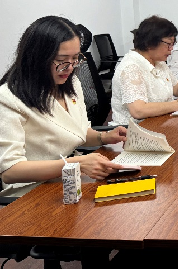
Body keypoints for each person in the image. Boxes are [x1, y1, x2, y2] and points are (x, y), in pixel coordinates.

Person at [0, 16, 127, 197]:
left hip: (71, 179)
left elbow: (76, 133)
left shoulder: (70, 83)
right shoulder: (8, 98)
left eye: (75, 58)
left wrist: (104, 137)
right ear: (37, 58)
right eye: (62, 60)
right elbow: (11, 171)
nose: (70, 67)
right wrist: (76, 164)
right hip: (32, 192)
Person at [111, 16, 178, 125]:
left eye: (173, 44)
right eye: (168, 44)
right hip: (135, 130)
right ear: (149, 43)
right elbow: (138, 110)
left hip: (161, 122)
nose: (171, 49)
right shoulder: (131, 67)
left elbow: (177, 87)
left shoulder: (159, 63)